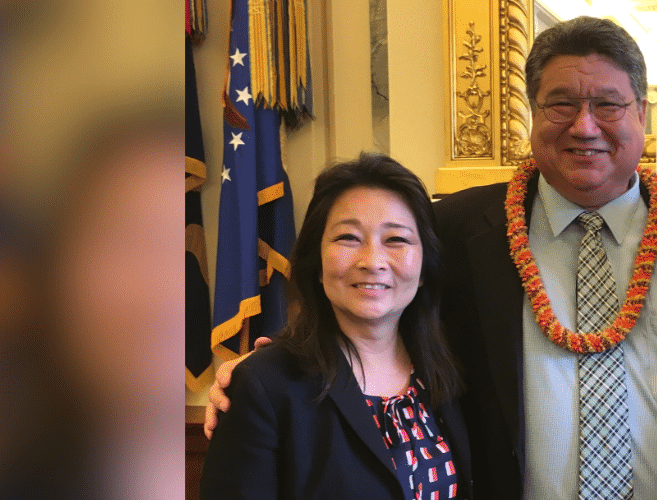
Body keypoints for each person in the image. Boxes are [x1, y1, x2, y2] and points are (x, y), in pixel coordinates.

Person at [206, 15, 657, 500]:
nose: (584, 126)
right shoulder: (451, 231)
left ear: (641, 111)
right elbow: (373, 311)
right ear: (532, 113)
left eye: (608, 105)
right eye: (561, 104)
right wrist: (261, 373)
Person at [200, 154, 470, 499]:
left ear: (424, 268)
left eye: (396, 240)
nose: (372, 261)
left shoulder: (449, 371)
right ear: (316, 260)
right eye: (348, 238)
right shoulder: (264, 386)